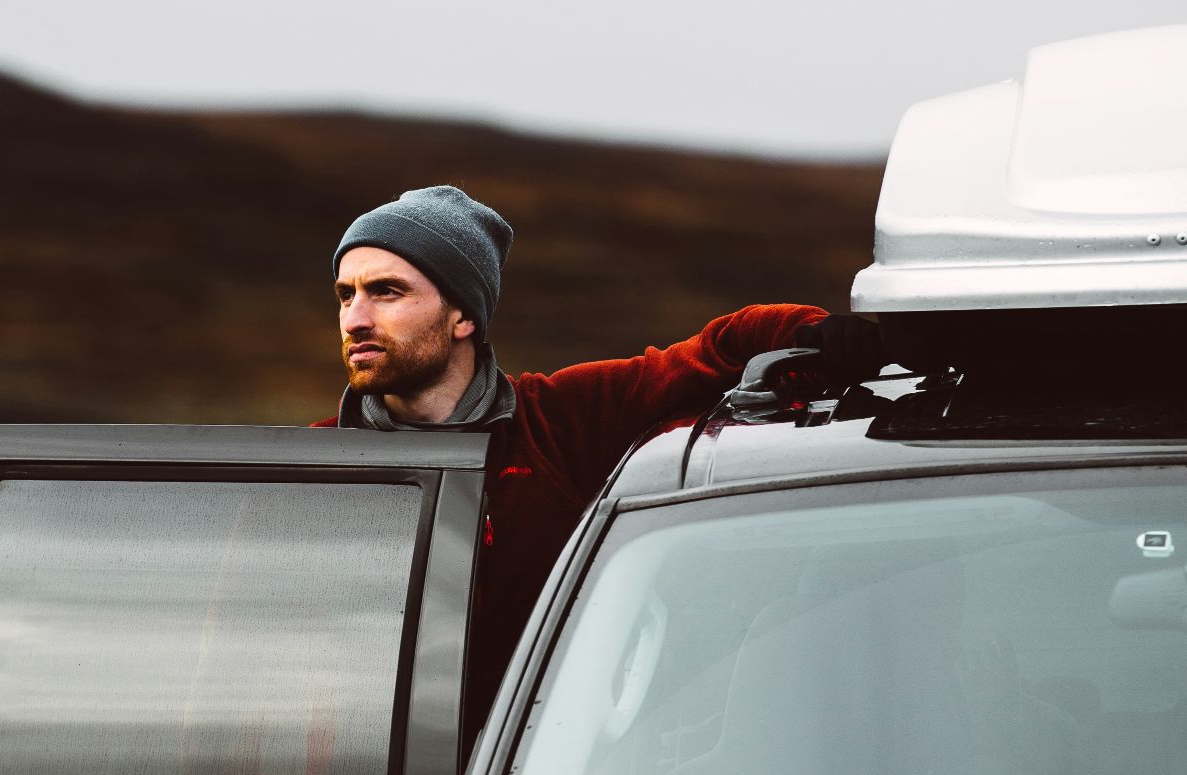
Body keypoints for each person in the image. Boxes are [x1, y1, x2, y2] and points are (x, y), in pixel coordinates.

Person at [316, 185, 880, 745]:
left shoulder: (560, 419)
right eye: (346, 295)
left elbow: (722, 347)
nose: (355, 318)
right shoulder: (306, 467)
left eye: (386, 292)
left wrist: (816, 333)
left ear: (462, 314)